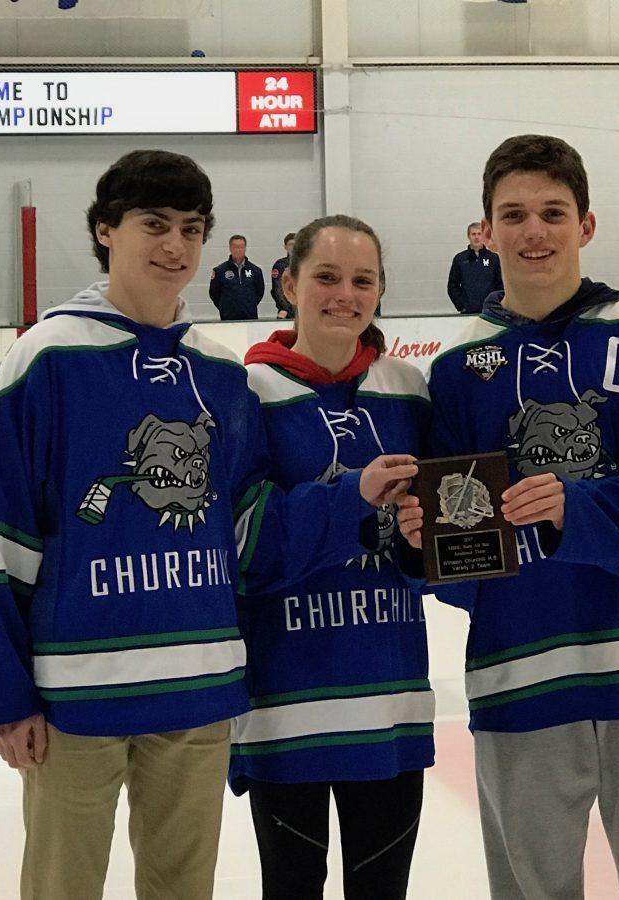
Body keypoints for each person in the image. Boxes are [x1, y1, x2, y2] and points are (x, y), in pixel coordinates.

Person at [0, 150, 418, 900]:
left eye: (191, 229)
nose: (174, 246)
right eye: (154, 225)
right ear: (106, 230)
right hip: (78, 695)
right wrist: (2, 694)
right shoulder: (44, 359)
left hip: (199, 690)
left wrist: (350, 503)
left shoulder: (218, 374)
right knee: (61, 886)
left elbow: (247, 531)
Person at [399, 135, 619, 899]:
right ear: (486, 231)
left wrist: (580, 508)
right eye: (513, 215)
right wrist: (423, 543)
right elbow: (452, 528)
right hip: (520, 667)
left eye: (551, 212)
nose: (532, 230)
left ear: (585, 225)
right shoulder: (455, 367)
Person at [231, 214, 434, 900]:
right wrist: (354, 497)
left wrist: (418, 540)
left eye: (362, 280)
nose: (343, 294)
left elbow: (437, 548)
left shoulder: (406, 390)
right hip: (287, 705)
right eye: (325, 276)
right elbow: (244, 545)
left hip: (389, 702)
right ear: (287, 284)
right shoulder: (246, 394)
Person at [446, 221, 503, 313]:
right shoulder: (459, 259)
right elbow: (452, 286)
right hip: (467, 312)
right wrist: (461, 306)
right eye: (473, 234)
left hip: (490, 312)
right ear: (469, 236)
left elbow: (501, 285)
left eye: (479, 234)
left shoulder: (494, 258)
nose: (476, 237)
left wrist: (495, 305)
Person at [209, 233, 265, 320]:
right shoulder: (219, 271)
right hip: (228, 318)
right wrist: (225, 308)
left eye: (241, 247)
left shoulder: (256, 271)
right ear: (230, 248)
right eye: (235, 247)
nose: (238, 250)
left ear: (245, 248)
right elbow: (214, 294)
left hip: (250, 317)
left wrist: (249, 305)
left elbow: (260, 292)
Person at [270, 231, 297, 319]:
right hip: (286, 311)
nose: (293, 247)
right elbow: (277, 289)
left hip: (303, 310)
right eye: (291, 244)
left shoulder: (306, 264)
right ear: (285, 247)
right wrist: (286, 308)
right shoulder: (280, 265)